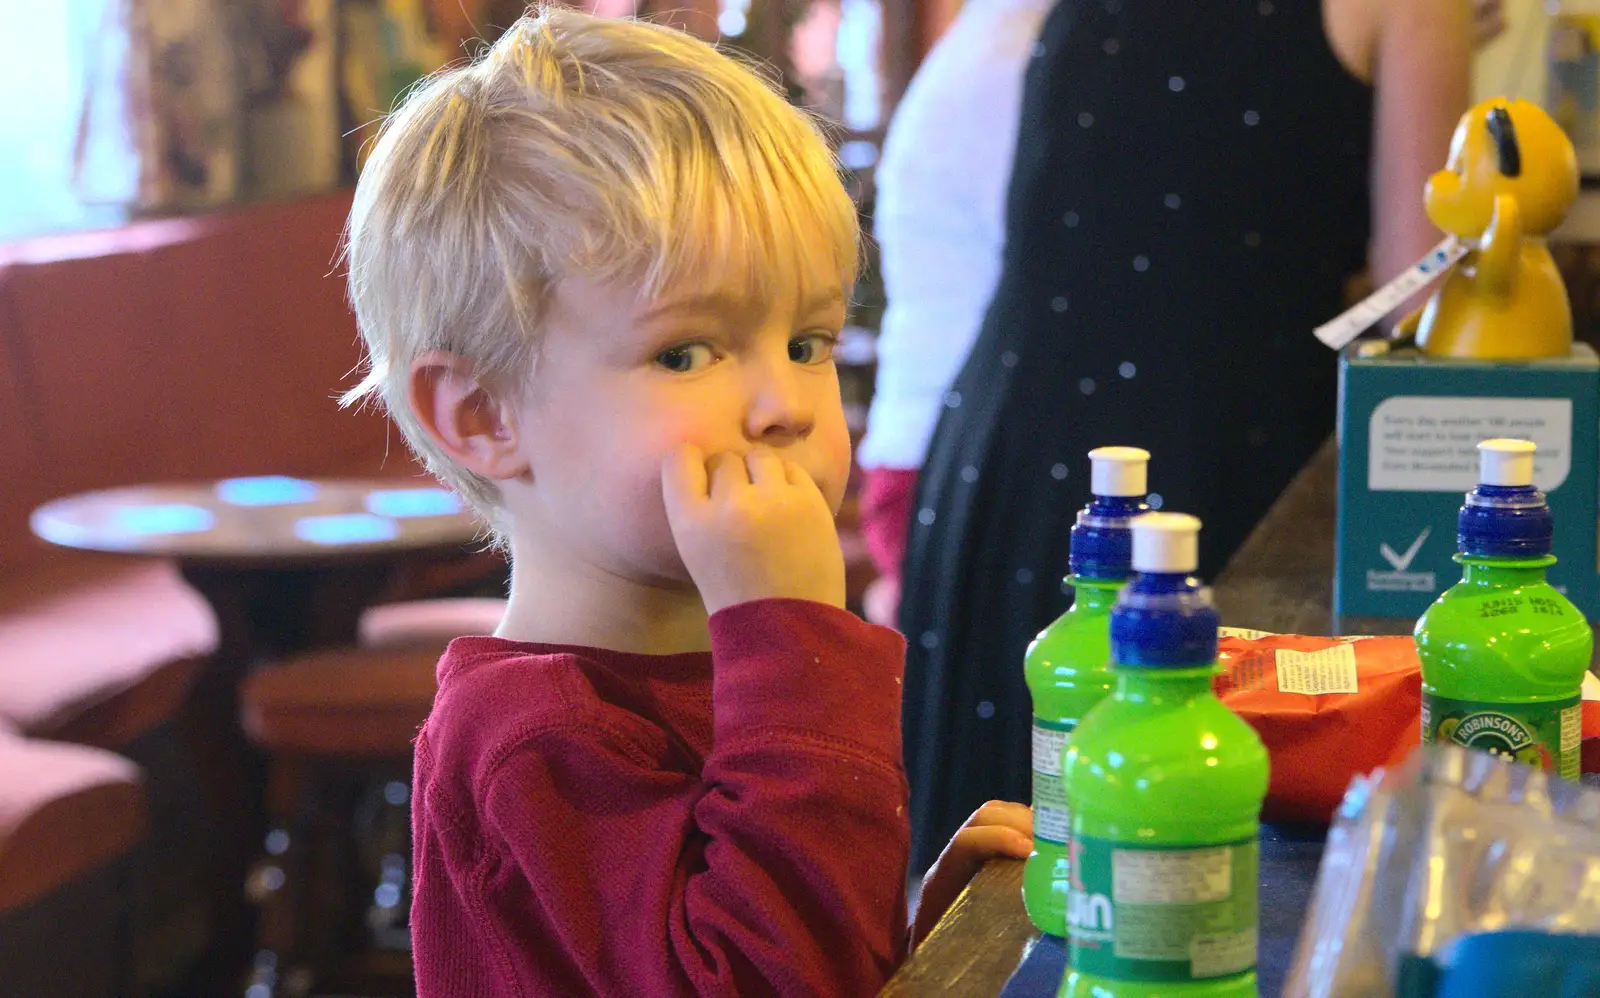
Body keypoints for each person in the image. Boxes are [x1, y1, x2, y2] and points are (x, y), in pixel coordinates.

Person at [341, 8, 1031, 995]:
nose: (782, 405)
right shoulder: (537, 735)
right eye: (687, 350)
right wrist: (794, 634)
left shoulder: (719, 662)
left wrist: (913, 931)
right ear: (483, 413)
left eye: (808, 342)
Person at [895, 0, 1475, 872]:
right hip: (1233, 455)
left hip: (1020, 452)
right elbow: (1421, 294)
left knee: (1015, 871)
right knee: (1190, 871)